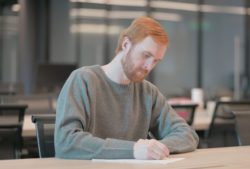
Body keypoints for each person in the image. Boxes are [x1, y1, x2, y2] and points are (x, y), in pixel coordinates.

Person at [54, 16, 199, 160]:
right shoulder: (83, 80)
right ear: (126, 44)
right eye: (146, 55)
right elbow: (66, 142)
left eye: (155, 60)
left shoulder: (148, 92)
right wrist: (133, 150)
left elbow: (187, 134)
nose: (149, 66)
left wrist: (155, 149)